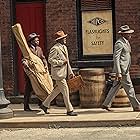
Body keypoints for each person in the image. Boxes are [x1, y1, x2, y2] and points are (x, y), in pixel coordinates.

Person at [102, 25, 140, 112]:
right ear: (124, 34)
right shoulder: (119, 43)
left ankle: (106, 104)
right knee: (129, 87)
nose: (130, 35)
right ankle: (136, 106)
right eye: (128, 34)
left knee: (115, 86)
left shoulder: (126, 42)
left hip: (124, 69)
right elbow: (116, 58)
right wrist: (119, 72)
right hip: (122, 71)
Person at [39, 30, 78, 116]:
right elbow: (50, 60)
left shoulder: (64, 48)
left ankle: (44, 105)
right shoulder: (55, 48)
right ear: (59, 39)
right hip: (58, 74)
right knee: (65, 91)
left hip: (63, 73)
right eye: (63, 38)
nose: (65, 39)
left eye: (64, 38)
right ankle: (69, 110)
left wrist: (70, 73)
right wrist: (60, 62)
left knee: (56, 91)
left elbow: (67, 62)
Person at [22, 33, 49, 111]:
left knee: (41, 86)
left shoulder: (39, 49)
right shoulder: (27, 49)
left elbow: (43, 58)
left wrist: (45, 64)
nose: (38, 41)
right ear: (31, 41)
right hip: (31, 73)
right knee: (29, 89)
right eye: (36, 40)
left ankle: (41, 104)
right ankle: (26, 106)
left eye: (38, 40)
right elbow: (24, 59)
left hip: (39, 72)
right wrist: (25, 63)